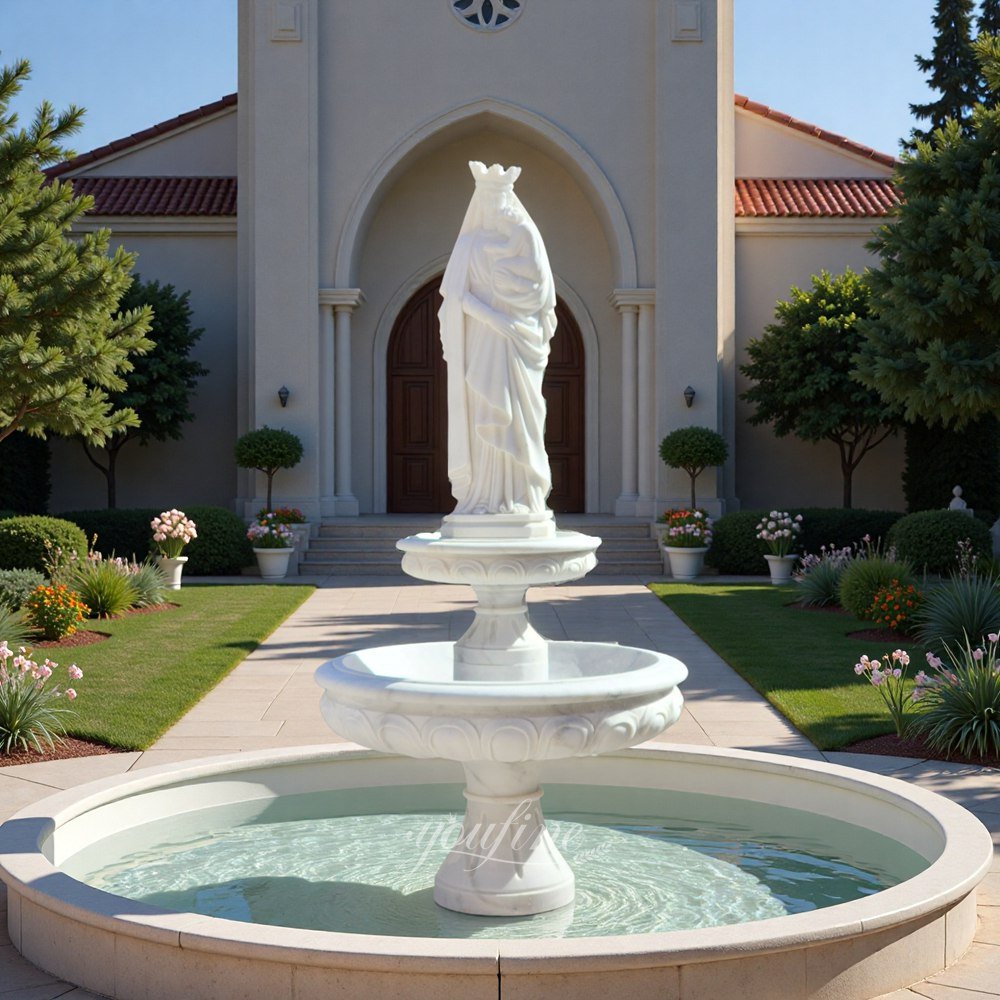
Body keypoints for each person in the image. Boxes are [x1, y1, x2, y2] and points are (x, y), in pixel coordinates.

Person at [438, 161, 557, 515]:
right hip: (485, 340)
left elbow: (540, 295)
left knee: (522, 412)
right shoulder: (469, 243)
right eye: (490, 198)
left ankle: (521, 495)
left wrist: (513, 319)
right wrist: (494, 318)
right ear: (481, 200)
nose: (497, 205)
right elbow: (458, 297)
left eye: (502, 197)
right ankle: (484, 496)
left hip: (518, 341)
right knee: (486, 407)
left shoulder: (525, 239)